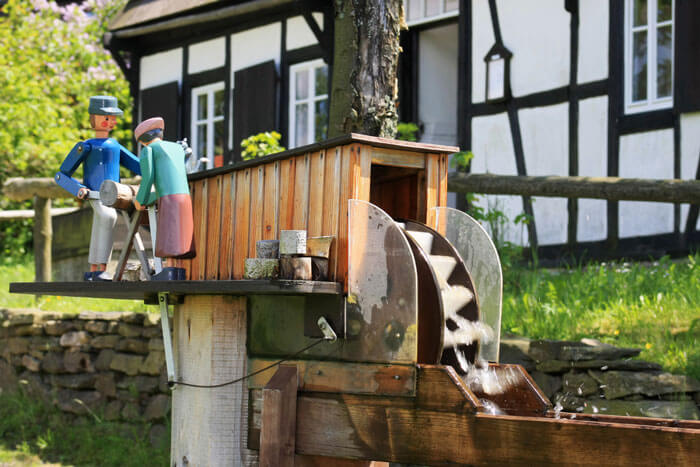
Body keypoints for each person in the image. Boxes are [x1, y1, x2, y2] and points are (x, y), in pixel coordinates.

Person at [55, 96, 140, 281]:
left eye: (113, 118)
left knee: (102, 223)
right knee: (108, 217)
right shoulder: (85, 146)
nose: (112, 121)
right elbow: (61, 175)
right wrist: (78, 189)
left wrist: (160, 160)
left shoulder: (115, 145)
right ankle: (101, 269)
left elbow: (138, 165)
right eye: (107, 117)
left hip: (114, 194)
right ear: (94, 118)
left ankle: (96, 269)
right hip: (94, 194)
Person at [133, 117, 195, 280]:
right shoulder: (176, 148)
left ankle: (169, 272)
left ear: (143, 140)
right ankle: (178, 271)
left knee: (170, 235)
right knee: (182, 235)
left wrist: (140, 200)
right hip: (184, 197)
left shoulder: (149, 150)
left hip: (168, 198)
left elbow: (148, 177)